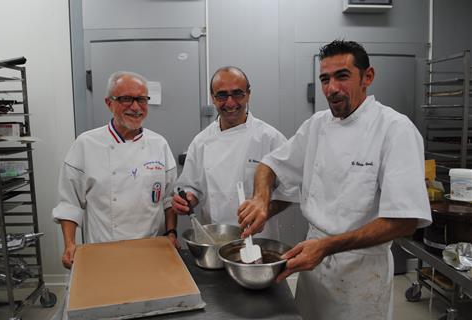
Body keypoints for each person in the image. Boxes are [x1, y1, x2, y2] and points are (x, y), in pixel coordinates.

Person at [238, 40, 432, 320]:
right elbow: (269, 165)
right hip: (312, 266)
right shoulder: (316, 125)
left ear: (368, 77)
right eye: (325, 79)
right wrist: (260, 199)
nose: (331, 89)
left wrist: (328, 246)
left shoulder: (395, 130)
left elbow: (404, 220)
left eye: (342, 76)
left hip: (362, 273)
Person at [52, 71, 179, 270]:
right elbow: (69, 203)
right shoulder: (86, 144)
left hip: (152, 250)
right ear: (109, 103)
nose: (135, 107)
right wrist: (70, 244)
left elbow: (169, 199)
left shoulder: (159, 144)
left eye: (141, 99)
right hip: (104, 250)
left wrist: (171, 232)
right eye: (126, 99)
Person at [172, 66, 296, 239]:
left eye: (237, 94)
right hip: (214, 241)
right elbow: (191, 187)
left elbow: (291, 188)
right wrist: (188, 199)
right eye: (222, 95)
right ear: (213, 98)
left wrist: (264, 211)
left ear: (248, 94)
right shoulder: (201, 142)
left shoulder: (270, 138)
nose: (230, 103)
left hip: (259, 239)